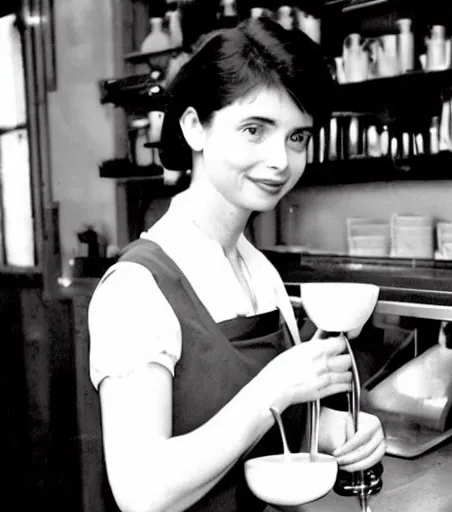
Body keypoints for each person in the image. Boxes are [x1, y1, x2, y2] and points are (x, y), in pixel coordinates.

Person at [88, 17, 386, 512]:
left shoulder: (259, 271)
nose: (281, 161)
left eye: (298, 138)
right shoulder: (137, 289)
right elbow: (142, 492)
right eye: (255, 129)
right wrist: (275, 387)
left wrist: (337, 429)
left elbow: (271, 433)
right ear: (192, 128)